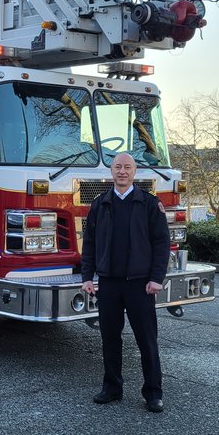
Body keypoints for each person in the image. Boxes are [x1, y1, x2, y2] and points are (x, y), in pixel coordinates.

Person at [80, 152, 170, 412]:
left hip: (140, 284)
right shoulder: (100, 204)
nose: (122, 171)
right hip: (108, 283)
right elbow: (90, 244)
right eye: (118, 167)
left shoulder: (150, 204)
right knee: (110, 337)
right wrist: (87, 277)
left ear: (135, 171)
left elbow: (161, 244)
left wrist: (156, 278)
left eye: (127, 167)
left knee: (147, 340)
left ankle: (153, 393)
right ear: (111, 171)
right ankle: (112, 387)